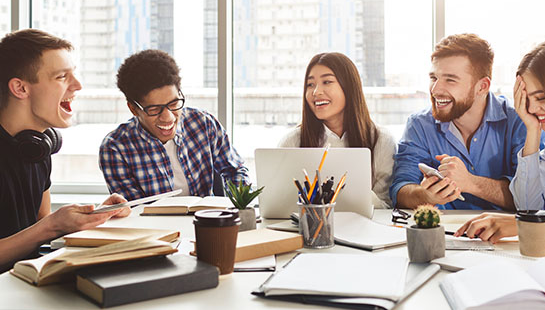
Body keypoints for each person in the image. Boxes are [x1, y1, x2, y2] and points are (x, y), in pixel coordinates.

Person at [0, 29, 130, 273]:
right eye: (61, 77)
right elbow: (45, 228)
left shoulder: (36, 148)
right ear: (20, 88)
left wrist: (94, 216)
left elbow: (40, 229)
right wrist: (52, 226)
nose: (78, 85)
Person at [391, 33, 542, 210]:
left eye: (450, 80)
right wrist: (425, 195)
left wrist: (470, 182)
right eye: (434, 78)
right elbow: (400, 189)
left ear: (482, 86)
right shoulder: (419, 125)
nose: (435, 89)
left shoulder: (520, 121)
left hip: (505, 236)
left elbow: (534, 201)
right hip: (444, 234)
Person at [456, 36, 545, 248]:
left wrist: (529, 225)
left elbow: (526, 219)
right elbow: (527, 206)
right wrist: (532, 131)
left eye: (540, 98)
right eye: (527, 100)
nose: (531, 109)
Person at [99, 49, 249, 201]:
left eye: (174, 103)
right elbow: (134, 211)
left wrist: (237, 205)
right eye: (154, 109)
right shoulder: (115, 148)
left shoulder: (204, 123)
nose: (168, 117)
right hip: (156, 225)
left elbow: (236, 171)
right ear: (133, 109)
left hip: (209, 221)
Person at [278, 52, 396, 208]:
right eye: (310, 84)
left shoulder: (381, 140)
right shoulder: (292, 141)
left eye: (327, 82)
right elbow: (279, 205)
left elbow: (386, 205)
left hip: (363, 229)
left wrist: (356, 194)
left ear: (349, 87)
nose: (316, 92)